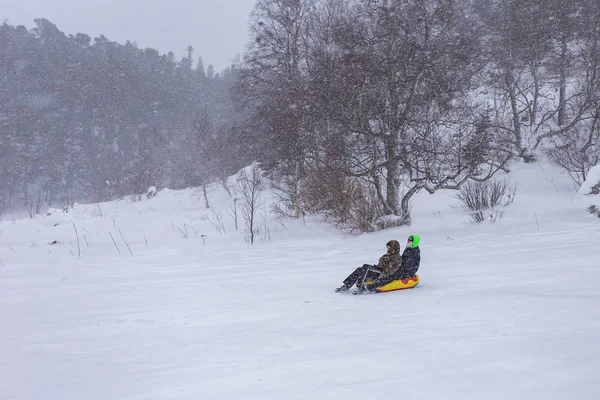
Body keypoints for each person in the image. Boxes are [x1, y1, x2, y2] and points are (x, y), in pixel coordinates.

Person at [335, 240, 402, 293]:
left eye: (389, 247)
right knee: (361, 268)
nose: (388, 249)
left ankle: (362, 288)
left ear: (394, 248)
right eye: (387, 247)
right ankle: (347, 286)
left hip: (382, 274)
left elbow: (390, 271)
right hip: (378, 269)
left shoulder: (397, 258)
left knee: (367, 270)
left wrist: (379, 279)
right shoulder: (388, 255)